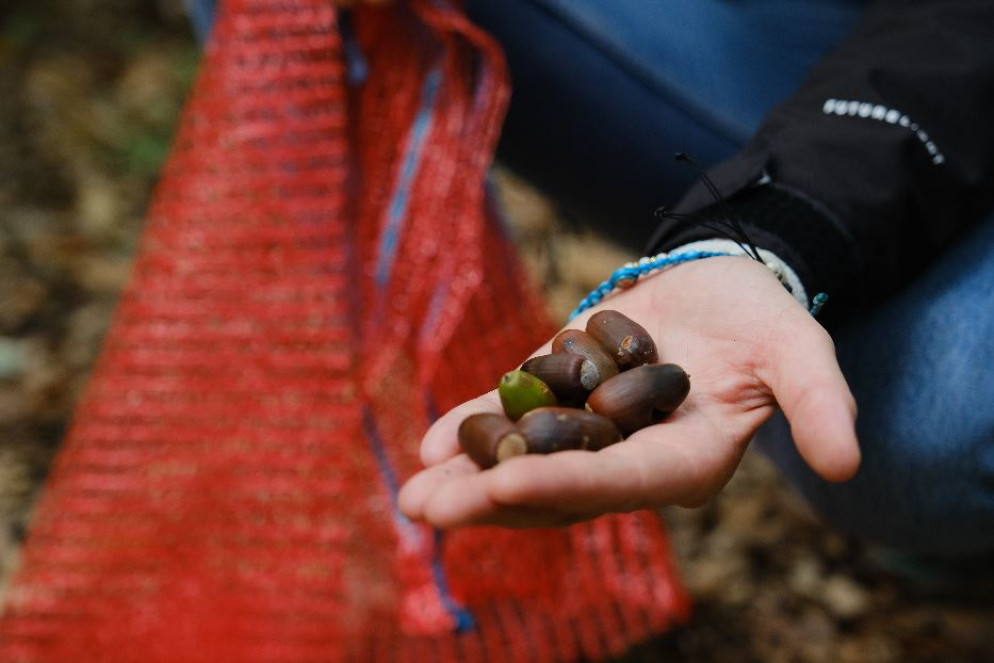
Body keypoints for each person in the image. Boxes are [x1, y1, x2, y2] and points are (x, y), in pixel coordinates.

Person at [191, 0, 994, 555]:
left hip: (941, 64)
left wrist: (784, 230)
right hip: (865, 48)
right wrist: (763, 236)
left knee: (914, 434)